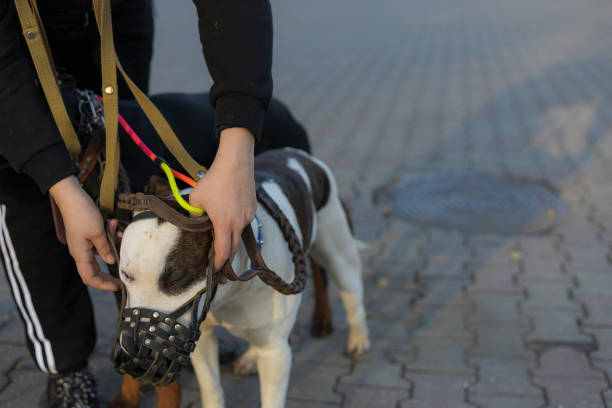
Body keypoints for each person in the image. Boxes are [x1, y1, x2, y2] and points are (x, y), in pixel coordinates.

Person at [0, 0, 310, 406]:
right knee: (27, 196)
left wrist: (237, 149)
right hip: (12, 34)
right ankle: (67, 369)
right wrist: (62, 187)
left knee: (134, 225)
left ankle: (180, 333)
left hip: (114, 15)